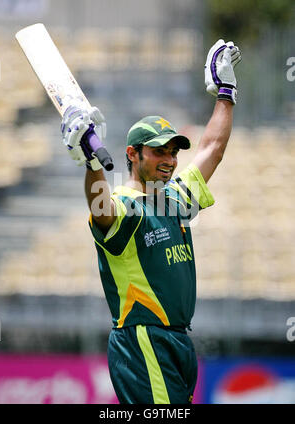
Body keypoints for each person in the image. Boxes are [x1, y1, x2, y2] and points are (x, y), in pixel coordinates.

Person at [60, 39, 241, 404]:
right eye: (160, 151)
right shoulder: (124, 204)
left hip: (177, 340)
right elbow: (101, 210)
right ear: (133, 154)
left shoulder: (175, 197)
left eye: (173, 152)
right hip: (143, 340)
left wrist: (225, 92)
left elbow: (212, 149)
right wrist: (92, 164)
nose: (171, 160)